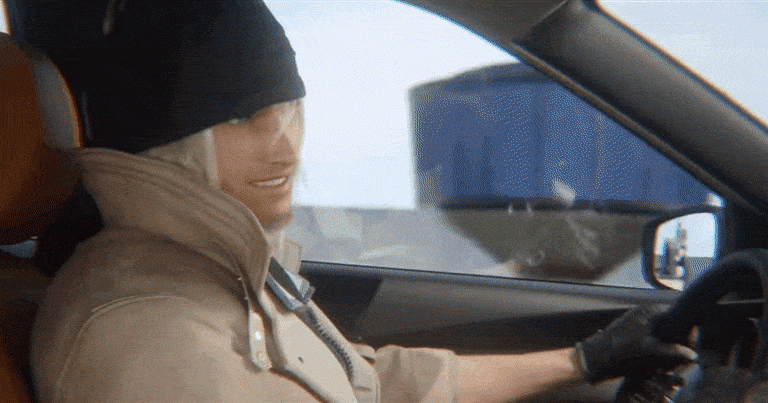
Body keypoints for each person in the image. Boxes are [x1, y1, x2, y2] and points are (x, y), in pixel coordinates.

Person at [24, 1, 694, 402]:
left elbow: (364, 384)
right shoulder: (145, 336)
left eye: (288, 108)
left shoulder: (215, 274)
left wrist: (581, 363)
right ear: (165, 146)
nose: (285, 147)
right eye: (241, 116)